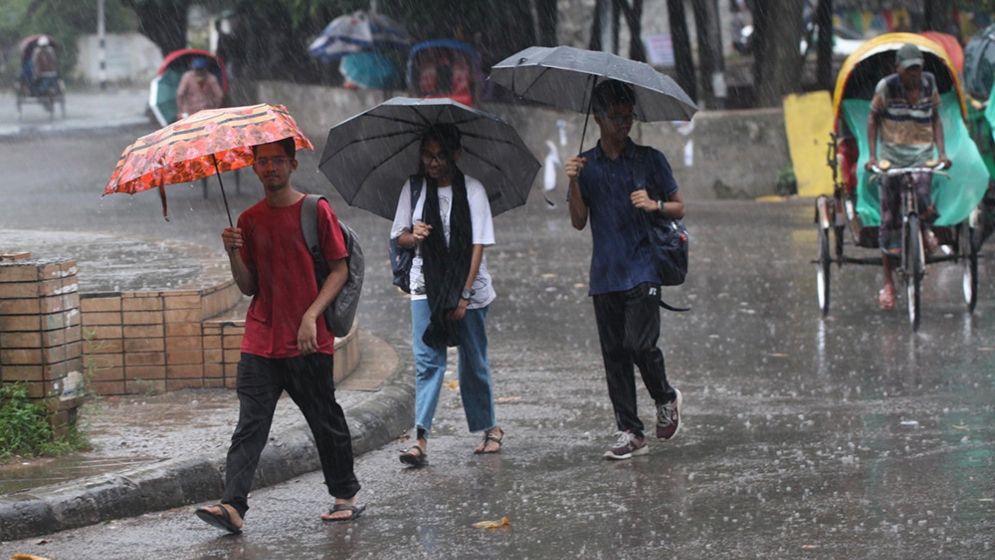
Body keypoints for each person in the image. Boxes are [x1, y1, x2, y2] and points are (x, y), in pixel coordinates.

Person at [194, 137, 364, 533]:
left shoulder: (315, 210)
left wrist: (311, 315)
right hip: (261, 340)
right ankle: (232, 506)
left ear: (292, 165)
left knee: (324, 419)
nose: (270, 168)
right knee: (250, 425)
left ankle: (345, 495)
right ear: (253, 168)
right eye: (263, 162)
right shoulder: (249, 220)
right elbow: (249, 286)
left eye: (277, 161)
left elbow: (339, 270)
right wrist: (233, 253)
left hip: (307, 339)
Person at [564, 80, 684, 461]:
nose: (623, 124)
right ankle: (630, 431)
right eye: (616, 117)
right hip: (605, 274)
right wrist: (572, 181)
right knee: (614, 355)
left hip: (644, 266)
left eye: (628, 116)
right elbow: (579, 222)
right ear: (597, 118)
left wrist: (655, 205)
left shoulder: (650, 160)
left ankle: (665, 396)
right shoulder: (586, 167)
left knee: (639, 343)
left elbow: (680, 207)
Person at [390, 124, 503, 467]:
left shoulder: (472, 191)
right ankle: (419, 439)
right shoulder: (413, 189)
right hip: (427, 284)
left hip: (467, 285)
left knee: (473, 361)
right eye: (427, 155)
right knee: (427, 361)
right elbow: (399, 236)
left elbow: (477, 245)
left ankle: (490, 427)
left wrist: (465, 295)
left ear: (455, 155)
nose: (433, 163)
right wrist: (416, 235)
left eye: (440, 156)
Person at [865, 43, 951, 310]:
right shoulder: (886, 87)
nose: (914, 75)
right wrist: (872, 156)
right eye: (909, 70)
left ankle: (924, 229)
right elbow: (872, 118)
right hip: (892, 157)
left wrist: (942, 152)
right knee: (889, 220)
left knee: (924, 193)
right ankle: (889, 285)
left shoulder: (929, 84)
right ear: (898, 69)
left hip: (922, 155)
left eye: (917, 69)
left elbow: (935, 117)